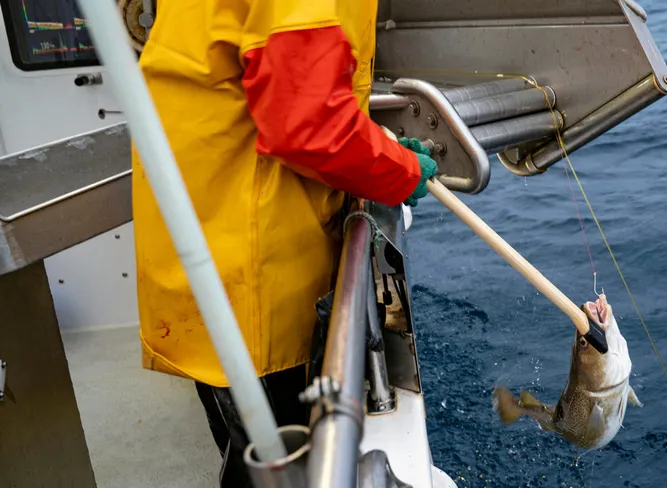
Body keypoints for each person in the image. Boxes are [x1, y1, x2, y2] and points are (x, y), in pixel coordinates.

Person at [130, 1, 437, 485]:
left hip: (212, 261)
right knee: (275, 467)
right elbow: (307, 122)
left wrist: (382, 150)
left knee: (247, 450)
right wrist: (400, 171)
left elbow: (276, 89)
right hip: (252, 291)